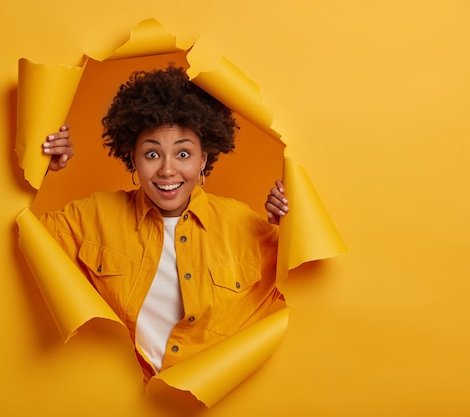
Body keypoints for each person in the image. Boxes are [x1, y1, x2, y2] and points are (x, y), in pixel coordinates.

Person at [39, 65, 289, 381]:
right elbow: (16, 243)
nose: (167, 170)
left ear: (203, 158)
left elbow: (302, 292)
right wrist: (39, 169)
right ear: (132, 157)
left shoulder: (245, 226)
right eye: (152, 154)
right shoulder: (92, 217)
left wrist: (290, 228)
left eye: (183, 154)